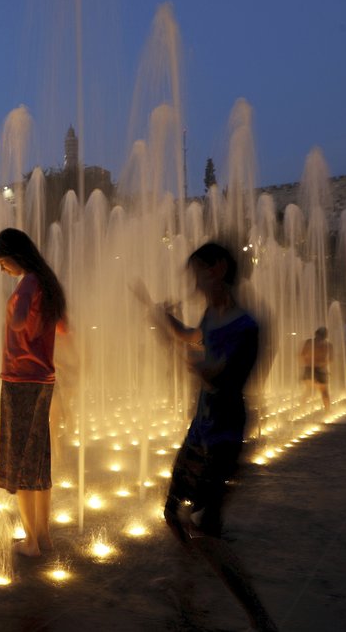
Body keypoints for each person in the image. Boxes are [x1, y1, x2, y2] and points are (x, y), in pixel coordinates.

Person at [144, 242, 277, 632]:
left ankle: (257, 615)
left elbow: (225, 376)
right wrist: (165, 319)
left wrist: (199, 365)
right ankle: (194, 571)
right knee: (171, 511)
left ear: (217, 269)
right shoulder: (211, 316)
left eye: (197, 274)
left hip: (223, 434)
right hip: (199, 430)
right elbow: (194, 338)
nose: (195, 284)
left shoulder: (246, 326)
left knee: (206, 527)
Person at [0, 228, 66, 557]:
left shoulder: (29, 284)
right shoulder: (46, 284)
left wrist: (17, 321)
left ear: (15, 256)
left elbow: (20, 321)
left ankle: (31, 541)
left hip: (20, 378)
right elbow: (62, 327)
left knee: (20, 460)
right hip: (42, 377)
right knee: (37, 459)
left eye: (3, 262)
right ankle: (43, 537)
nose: (2, 269)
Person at [299, 326, 331, 411]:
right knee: (318, 391)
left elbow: (302, 355)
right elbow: (302, 355)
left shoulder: (326, 345)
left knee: (315, 390)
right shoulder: (325, 344)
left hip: (315, 369)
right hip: (314, 369)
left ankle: (303, 408)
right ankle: (327, 410)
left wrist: (309, 363)